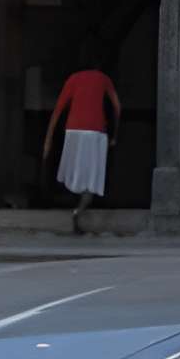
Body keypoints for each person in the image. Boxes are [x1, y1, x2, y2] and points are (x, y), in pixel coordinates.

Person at [42, 58, 120, 230]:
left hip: (74, 130)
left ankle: (69, 201)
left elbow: (58, 110)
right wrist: (114, 134)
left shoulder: (73, 78)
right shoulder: (103, 78)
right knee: (92, 178)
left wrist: (48, 140)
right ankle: (78, 211)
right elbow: (117, 106)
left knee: (72, 173)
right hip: (96, 132)